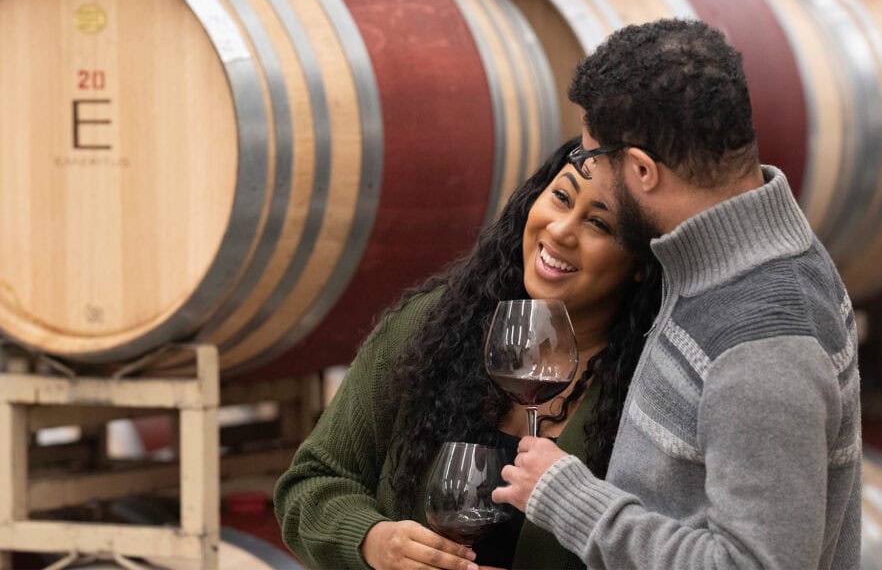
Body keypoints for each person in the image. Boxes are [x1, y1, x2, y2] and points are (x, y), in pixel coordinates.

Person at [493, 19, 862, 569]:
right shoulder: (719, 262)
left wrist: (570, 499)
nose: (586, 172)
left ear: (642, 170)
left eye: (593, 160)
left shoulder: (764, 346)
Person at [274, 136, 662, 570]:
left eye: (599, 225)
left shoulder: (650, 390)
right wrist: (374, 541)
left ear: (642, 263)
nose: (560, 230)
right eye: (560, 197)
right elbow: (310, 482)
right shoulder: (433, 325)